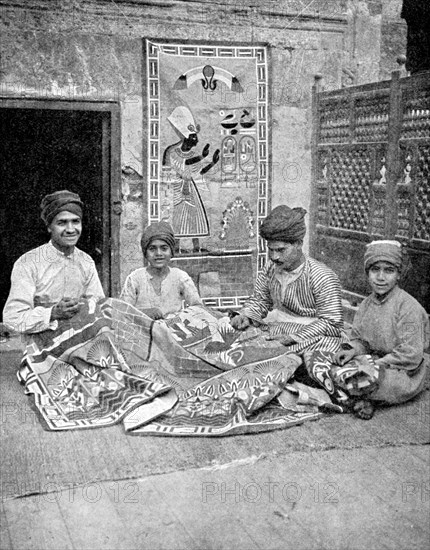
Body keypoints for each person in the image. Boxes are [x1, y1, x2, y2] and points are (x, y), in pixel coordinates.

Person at [230, 205, 344, 354]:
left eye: (281, 250)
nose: (274, 257)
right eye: (271, 249)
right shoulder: (271, 268)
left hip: (310, 336)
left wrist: (292, 337)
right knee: (233, 334)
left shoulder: (322, 276)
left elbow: (332, 323)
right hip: (278, 328)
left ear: (298, 244)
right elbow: (260, 300)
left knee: (325, 347)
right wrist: (246, 316)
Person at [335, 240, 429, 419]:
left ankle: (354, 398)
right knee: (325, 360)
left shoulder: (408, 307)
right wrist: (353, 351)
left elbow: (410, 355)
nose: (381, 277)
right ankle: (358, 396)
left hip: (402, 371)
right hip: (372, 361)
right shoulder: (365, 304)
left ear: (399, 275)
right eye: (375, 270)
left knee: (371, 379)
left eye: (389, 271)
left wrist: (375, 365)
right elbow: (361, 340)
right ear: (367, 273)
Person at [3, 190, 105, 334]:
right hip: (40, 350)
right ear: (49, 227)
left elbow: (99, 307)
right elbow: (12, 319)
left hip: (79, 347)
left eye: (75, 221)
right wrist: (52, 313)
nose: (70, 229)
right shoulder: (28, 263)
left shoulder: (86, 261)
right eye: (62, 223)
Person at [120, 221, 202, 319]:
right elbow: (122, 312)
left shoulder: (180, 277)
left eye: (164, 248)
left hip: (172, 331)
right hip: (143, 331)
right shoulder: (134, 279)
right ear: (145, 253)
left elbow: (198, 308)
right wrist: (144, 313)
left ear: (171, 251)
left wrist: (177, 317)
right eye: (152, 249)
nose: (158, 253)